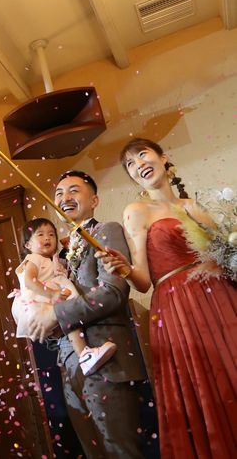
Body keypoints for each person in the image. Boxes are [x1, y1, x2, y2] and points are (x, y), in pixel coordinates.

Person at [96, 138, 237, 458]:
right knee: (208, 384)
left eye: (142, 155)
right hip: (180, 307)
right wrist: (124, 269)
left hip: (222, 298)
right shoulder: (137, 211)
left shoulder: (194, 206)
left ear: (163, 157)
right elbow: (143, 282)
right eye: (130, 164)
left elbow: (222, 254)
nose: (138, 165)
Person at [28, 170, 146, 458]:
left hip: (108, 358)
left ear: (94, 200)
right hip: (69, 366)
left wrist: (56, 313)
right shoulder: (58, 254)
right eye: (59, 193)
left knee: (121, 450)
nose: (64, 198)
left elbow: (113, 292)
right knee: (93, 451)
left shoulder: (107, 230)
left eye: (73, 190)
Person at [12, 217, 117, 376]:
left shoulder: (50, 260)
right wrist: (52, 294)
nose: (47, 238)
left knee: (69, 320)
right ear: (28, 245)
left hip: (46, 302)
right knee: (68, 315)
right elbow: (29, 281)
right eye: (40, 234)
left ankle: (84, 355)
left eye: (51, 234)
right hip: (40, 301)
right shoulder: (33, 258)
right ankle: (84, 354)